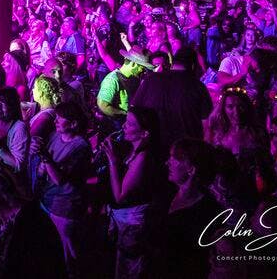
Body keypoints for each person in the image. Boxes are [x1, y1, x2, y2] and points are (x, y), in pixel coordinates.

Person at [102, 106, 165, 279]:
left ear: (145, 133)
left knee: (129, 268)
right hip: (123, 219)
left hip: (133, 223)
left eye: (130, 124)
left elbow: (120, 196)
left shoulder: (144, 157)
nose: (124, 126)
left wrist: (112, 161)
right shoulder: (132, 148)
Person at [32, 101, 92, 278]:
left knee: (68, 255)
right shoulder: (54, 136)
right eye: (56, 117)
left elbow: (60, 179)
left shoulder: (81, 146)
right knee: (52, 250)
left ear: (73, 123)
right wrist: (40, 162)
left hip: (65, 206)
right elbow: (44, 169)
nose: (55, 121)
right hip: (47, 199)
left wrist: (44, 157)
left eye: (60, 118)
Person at [159, 138, 221, 279]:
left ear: (191, 169)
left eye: (174, 159)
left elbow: (195, 260)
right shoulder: (166, 192)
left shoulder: (207, 210)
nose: (167, 162)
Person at [130, 49, 212, 149]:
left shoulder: (150, 79)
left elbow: (134, 110)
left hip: (154, 147)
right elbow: (207, 123)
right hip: (185, 150)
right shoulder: (198, 87)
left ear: (173, 64)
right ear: (193, 66)